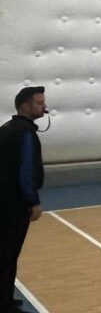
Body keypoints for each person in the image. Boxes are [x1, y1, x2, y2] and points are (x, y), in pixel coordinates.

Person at [0, 86, 46, 313]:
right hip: (13, 205)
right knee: (8, 254)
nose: (44, 107)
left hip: (4, 201)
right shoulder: (25, 133)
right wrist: (33, 201)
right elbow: (26, 171)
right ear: (25, 105)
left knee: (5, 253)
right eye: (39, 103)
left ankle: (6, 298)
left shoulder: (7, 128)